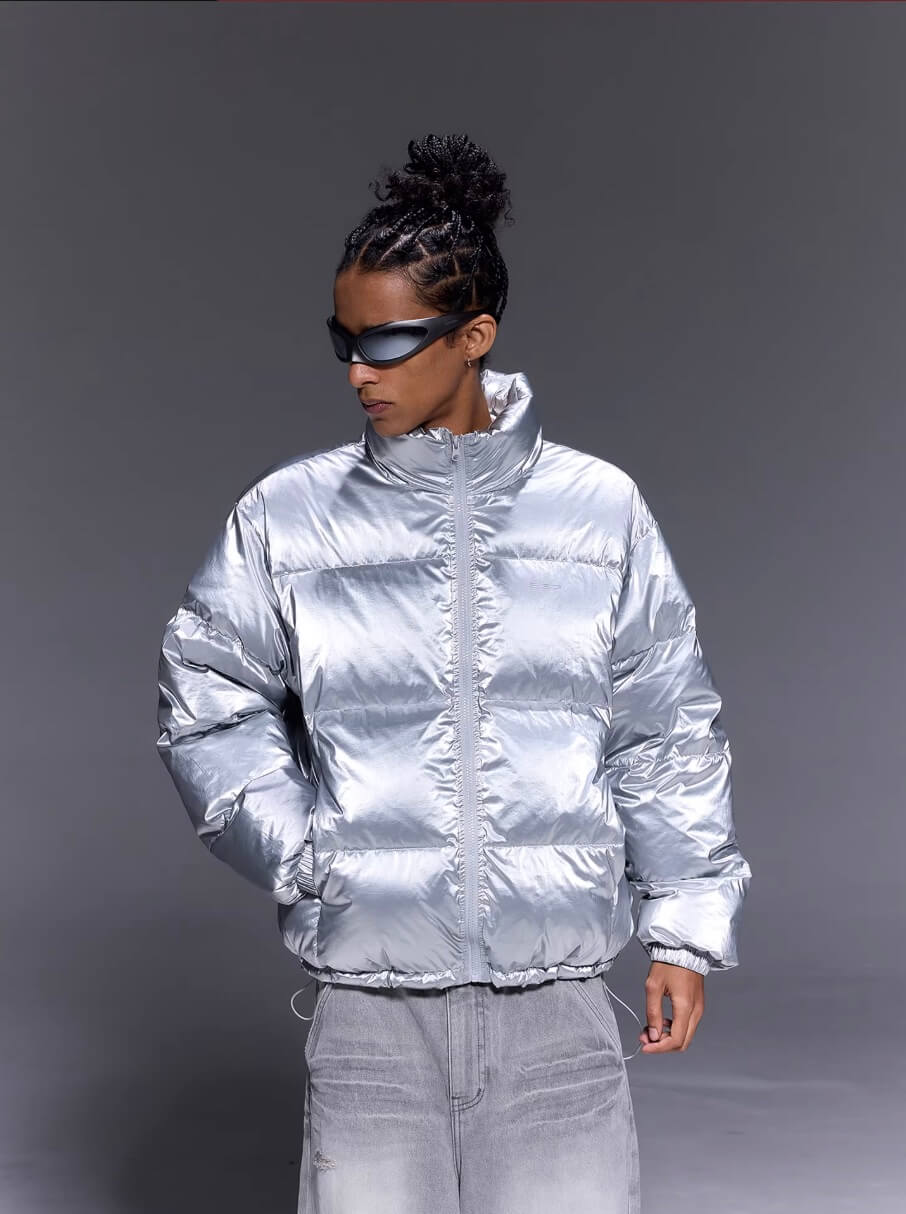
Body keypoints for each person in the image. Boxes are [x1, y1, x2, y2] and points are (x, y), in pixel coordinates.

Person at [155, 132, 752, 1214]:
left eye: (387, 342)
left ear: (474, 336)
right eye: (344, 341)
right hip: (369, 1012)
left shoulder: (599, 510)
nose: (358, 371)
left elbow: (664, 727)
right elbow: (207, 696)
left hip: (558, 1008)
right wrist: (305, 850)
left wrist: (683, 927)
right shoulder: (289, 517)